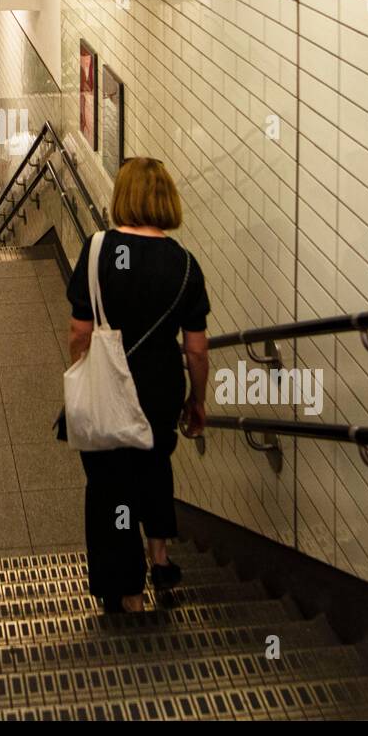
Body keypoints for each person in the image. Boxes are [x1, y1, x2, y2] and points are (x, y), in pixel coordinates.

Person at [65, 157, 211, 615]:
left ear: (123, 196)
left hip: (110, 386)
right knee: (153, 463)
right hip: (161, 386)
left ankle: (127, 591)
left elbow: (79, 332)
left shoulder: (98, 249)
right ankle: (160, 559)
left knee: (111, 487)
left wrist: (88, 373)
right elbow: (197, 350)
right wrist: (197, 400)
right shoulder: (185, 265)